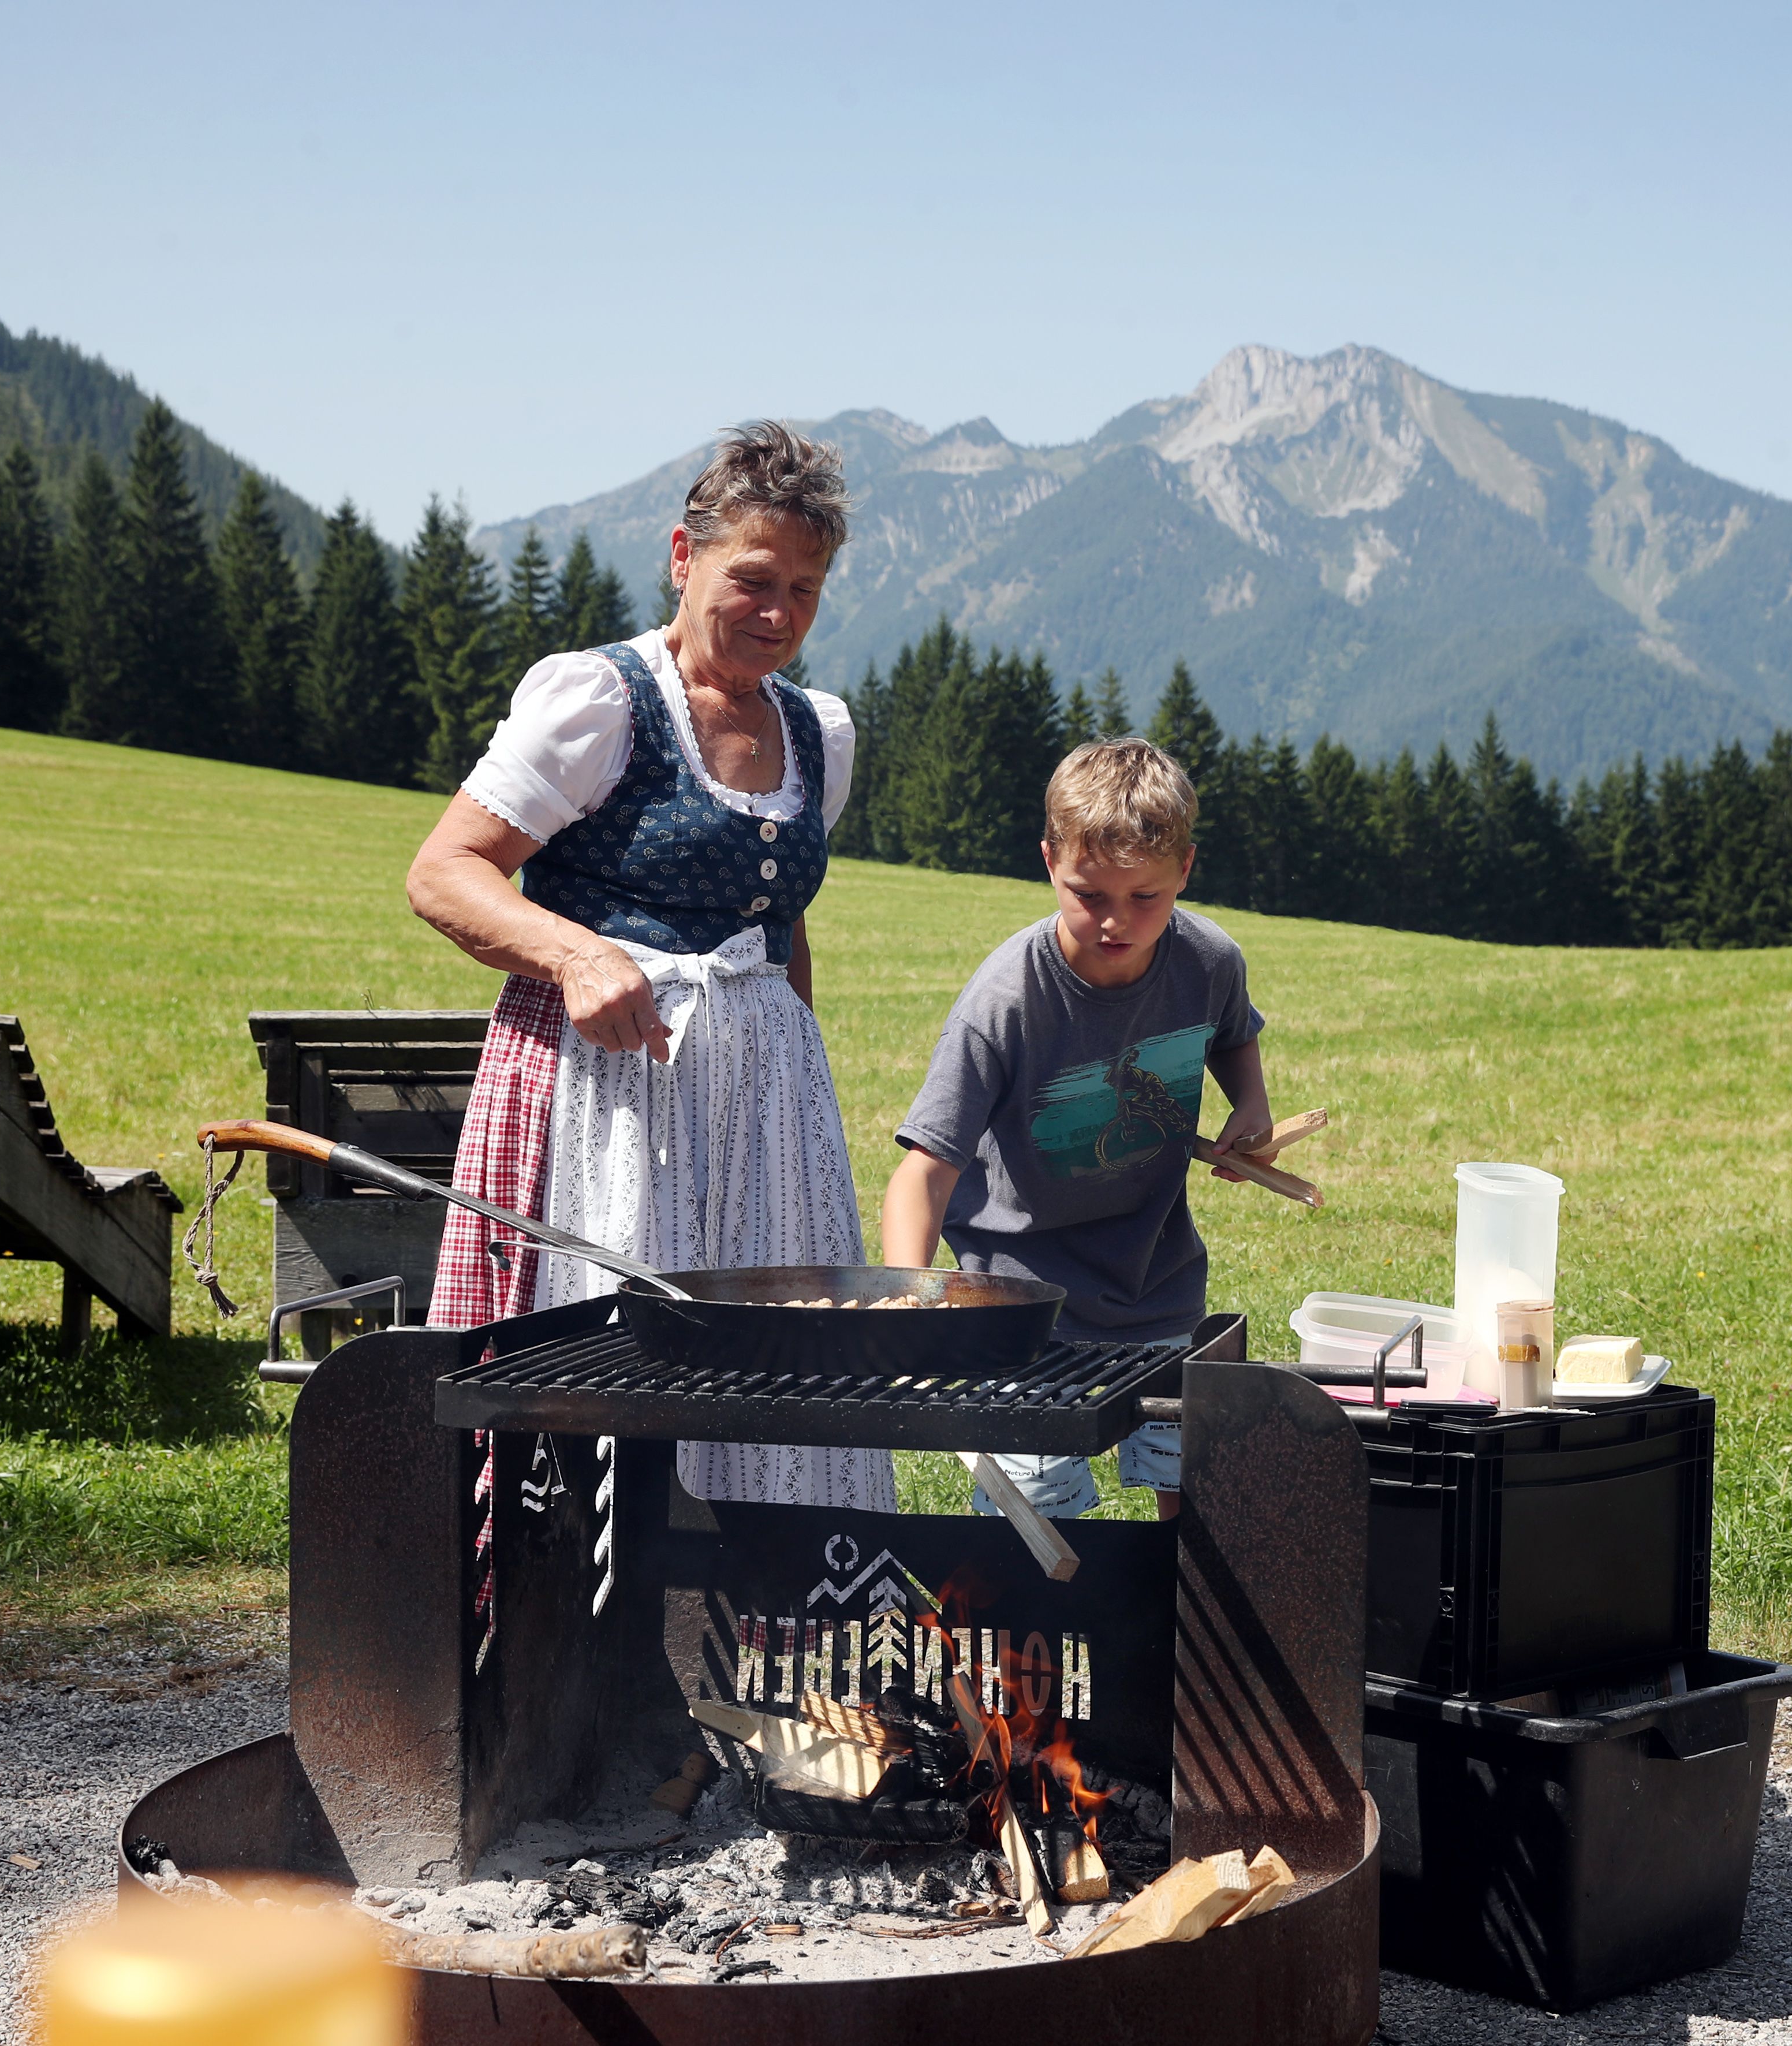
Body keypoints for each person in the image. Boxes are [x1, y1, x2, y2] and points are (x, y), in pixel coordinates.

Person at [406, 421, 888, 1516]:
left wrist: (801, 1085)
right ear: (684, 556)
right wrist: (575, 954)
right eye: (753, 579)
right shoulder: (602, 702)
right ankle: (585, 1594)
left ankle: (763, 1586)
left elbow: (782, 923)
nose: (779, 614)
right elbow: (445, 872)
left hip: (768, 1107)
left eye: (805, 591)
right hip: (605, 1094)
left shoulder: (819, 733)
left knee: (771, 1355)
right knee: (614, 1348)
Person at [880, 737, 1276, 1522]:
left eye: (1145, 897)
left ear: (1185, 870)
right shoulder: (1005, 1001)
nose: (1116, 922)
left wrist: (1252, 1105)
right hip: (1019, 1307)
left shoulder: (1209, 961)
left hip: (1158, 1289)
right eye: (1089, 895)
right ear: (1049, 861)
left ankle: (1176, 1610)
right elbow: (926, 1169)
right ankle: (1029, 1614)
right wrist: (910, 1296)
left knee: (1191, 1504)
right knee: (1034, 1527)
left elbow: (1232, 1034)